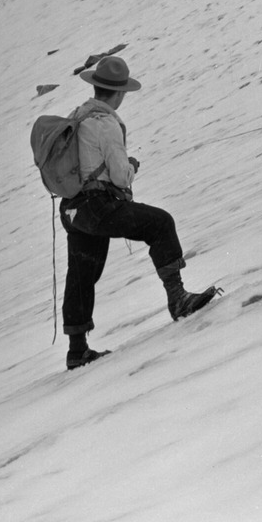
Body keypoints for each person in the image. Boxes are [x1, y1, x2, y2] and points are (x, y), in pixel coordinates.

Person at [59, 54, 217, 370]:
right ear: (119, 93)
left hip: (72, 210)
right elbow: (120, 177)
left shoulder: (77, 116)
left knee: (81, 274)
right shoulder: (106, 124)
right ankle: (178, 299)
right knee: (160, 223)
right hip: (97, 205)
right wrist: (131, 166)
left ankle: (77, 351)